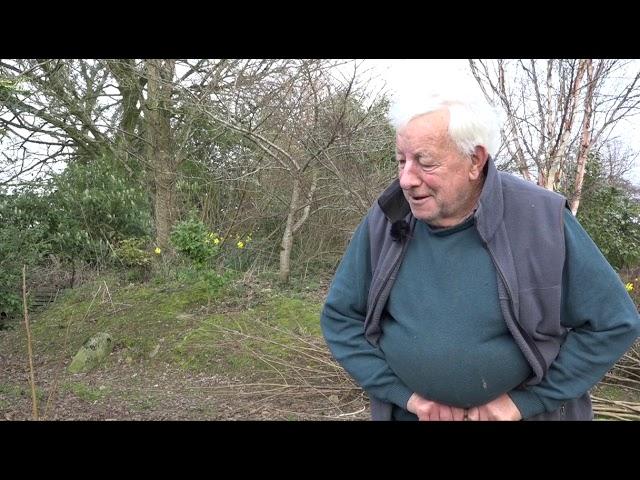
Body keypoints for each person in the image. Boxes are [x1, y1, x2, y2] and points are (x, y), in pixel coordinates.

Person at [320, 93, 640, 421]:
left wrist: (527, 401)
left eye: (425, 161)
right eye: (401, 161)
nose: (406, 179)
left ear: (475, 160)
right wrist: (406, 397)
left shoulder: (541, 219)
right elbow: (341, 318)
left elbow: (613, 323)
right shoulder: (387, 219)